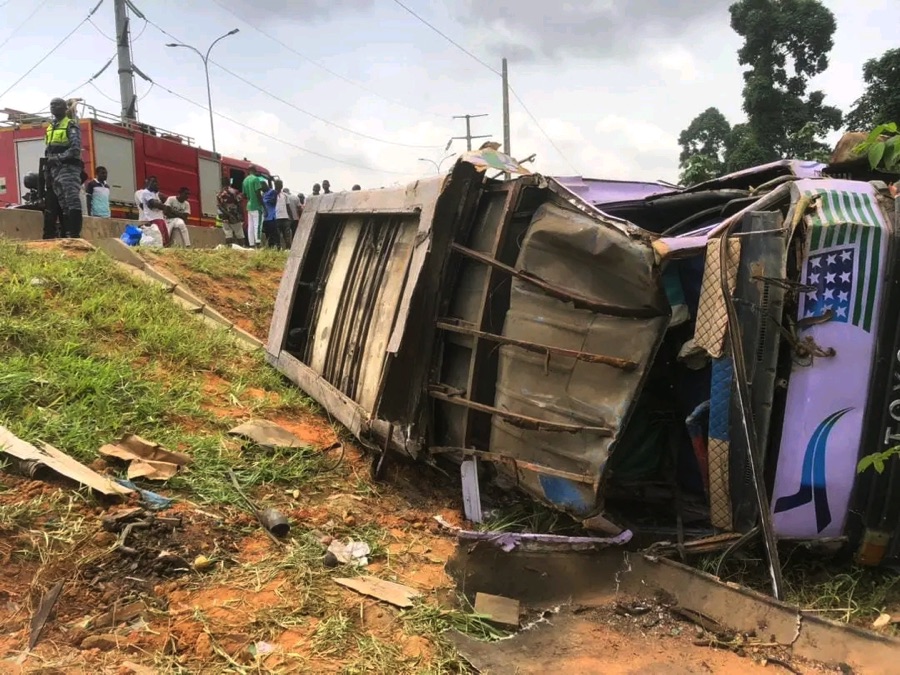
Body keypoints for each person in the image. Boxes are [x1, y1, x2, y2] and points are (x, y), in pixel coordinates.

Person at [43, 97, 84, 239]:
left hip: (69, 168)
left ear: (64, 107)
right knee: (63, 203)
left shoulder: (70, 125)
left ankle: (74, 234)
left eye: (57, 104)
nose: (53, 107)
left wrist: (57, 158)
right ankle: (68, 233)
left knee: (72, 200)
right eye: (51, 104)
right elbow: (48, 150)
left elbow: (75, 149)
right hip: (54, 170)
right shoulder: (50, 127)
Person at [138, 176, 170, 246]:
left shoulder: (155, 194)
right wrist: (163, 206)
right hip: (153, 218)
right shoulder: (145, 192)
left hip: (160, 218)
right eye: (153, 182)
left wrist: (161, 205)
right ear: (148, 183)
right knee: (161, 238)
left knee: (166, 239)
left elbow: (163, 203)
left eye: (156, 182)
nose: (155, 184)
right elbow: (153, 204)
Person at [262, 179, 292, 249]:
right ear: (275, 185)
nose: (280, 186)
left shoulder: (285, 195)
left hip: (285, 218)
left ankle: (288, 250)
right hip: (275, 218)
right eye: (278, 184)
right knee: (276, 236)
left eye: (281, 184)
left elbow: (288, 207)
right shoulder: (269, 193)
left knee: (287, 236)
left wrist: (291, 217)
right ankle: (278, 249)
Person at [216, 177, 245, 246]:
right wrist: (241, 215)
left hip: (224, 217)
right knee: (239, 234)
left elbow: (219, 206)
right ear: (229, 183)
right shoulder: (234, 192)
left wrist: (225, 215)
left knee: (228, 234)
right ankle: (242, 249)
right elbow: (239, 203)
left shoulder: (219, 194)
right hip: (234, 216)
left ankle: (229, 250)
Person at [242, 165, 265, 247]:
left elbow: (244, 195)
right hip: (257, 206)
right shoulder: (255, 179)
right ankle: (258, 243)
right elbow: (258, 194)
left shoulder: (245, 180)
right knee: (257, 225)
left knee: (250, 226)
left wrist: (250, 196)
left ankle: (251, 244)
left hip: (249, 206)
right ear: (255, 170)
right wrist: (264, 206)